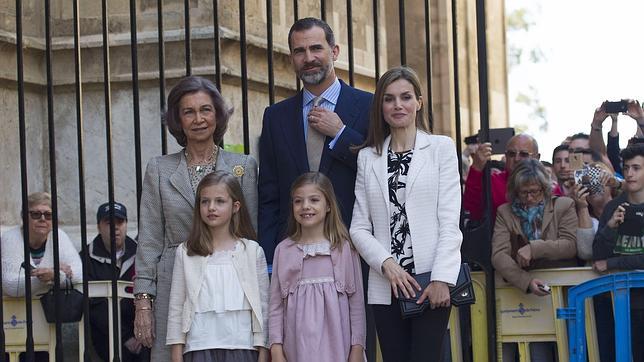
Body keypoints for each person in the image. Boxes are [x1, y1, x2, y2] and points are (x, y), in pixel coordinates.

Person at [133, 76, 258, 361]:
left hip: (229, 288)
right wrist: (143, 303)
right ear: (177, 120)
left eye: (206, 110)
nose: (198, 119)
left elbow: (251, 236)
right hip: (173, 283)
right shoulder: (159, 169)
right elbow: (150, 239)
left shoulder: (243, 167)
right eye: (188, 112)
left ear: (218, 114)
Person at [350, 66, 462, 362]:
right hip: (387, 284)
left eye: (406, 97)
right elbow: (359, 227)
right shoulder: (368, 157)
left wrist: (441, 278)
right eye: (389, 99)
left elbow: (450, 221)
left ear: (419, 103)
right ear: (381, 107)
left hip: (430, 282)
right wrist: (386, 264)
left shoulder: (440, 148)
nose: (398, 105)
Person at [258, 17, 372, 263]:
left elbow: (378, 173)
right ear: (291, 58)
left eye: (316, 48)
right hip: (294, 253)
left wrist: (341, 133)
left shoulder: (368, 106)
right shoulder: (275, 116)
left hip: (354, 249)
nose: (308, 58)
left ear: (335, 51)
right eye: (299, 51)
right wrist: (268, 261)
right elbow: (269, 195)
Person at [167, 171, 268, 362]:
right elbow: (176, 306)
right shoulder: (186, 252)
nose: (211, 207)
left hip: (242, 346)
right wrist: (176, 352)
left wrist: (263, 349)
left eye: (220, 201)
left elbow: (263, 305)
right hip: (199, 346)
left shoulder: (252, 251)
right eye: (205, 201)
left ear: (235, 206)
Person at [269, 172, 365, 362]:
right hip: (297, 347)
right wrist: (276, 347)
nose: (306, 206)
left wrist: (357, 347)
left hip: (338, 346)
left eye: (314, 200)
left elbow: (356, 303)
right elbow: (275, 306)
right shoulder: (284, 250)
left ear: (328, 205)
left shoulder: (344, 248)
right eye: (298, 201)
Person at [490, 159, 577, 361]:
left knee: (564, 350)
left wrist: (534, 248)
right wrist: (526, 281)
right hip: (521, 290)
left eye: (535, 192)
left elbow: (570, 245)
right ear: (514, 191)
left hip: (559, 293)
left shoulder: (563, 205)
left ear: (545, 189)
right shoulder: (505, 211)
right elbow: (498, 255)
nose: (529, 197)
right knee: (535, 351)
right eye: (523, 192)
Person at [592, 144, 644, 361]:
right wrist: (610, 228)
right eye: (626, 167)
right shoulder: (613, 207)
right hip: (618, 302)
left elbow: (606, 263)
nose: (630, 173)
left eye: (636, 168)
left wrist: (614, 264)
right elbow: (597, 256)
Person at [85, 202, 148, 361]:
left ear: (126, 225)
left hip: (144, 332)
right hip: (105, 337)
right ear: (99, 227)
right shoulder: (86, 259)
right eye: (108, 223)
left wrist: (140, 333)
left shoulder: (141, 253)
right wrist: (126, 337)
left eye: (120, 222)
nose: (115, 228)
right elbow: (94, 307)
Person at [2, 192, 82, 297]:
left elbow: (79, 274)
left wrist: (54, 275)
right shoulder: (10, 238)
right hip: (18, 310)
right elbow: (12, 285)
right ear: (24, 217)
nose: (42, 219)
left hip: (53, 310)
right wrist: (53, 276)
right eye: (36, 214)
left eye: (48, 215)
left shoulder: (59, 236)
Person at [463, 133, 541, 222]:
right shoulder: (492, 181)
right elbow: (472, 209)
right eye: (511, 154)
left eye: (523, 154)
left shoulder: (546, 186)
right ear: (506, 156)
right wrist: (476, 168)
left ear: (536, 158)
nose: (516, 159)